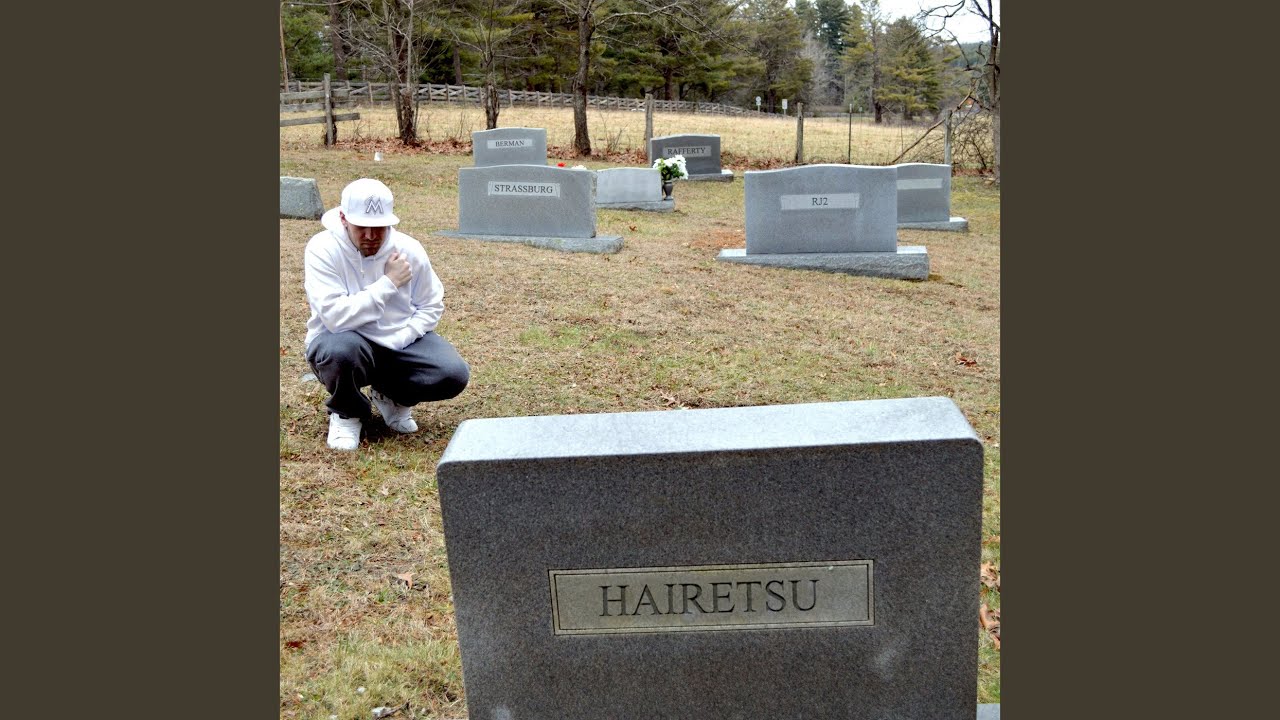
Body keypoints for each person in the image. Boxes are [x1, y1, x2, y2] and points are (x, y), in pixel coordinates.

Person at [303, 178, 469, 450]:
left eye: (379, 227)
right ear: (343, 219)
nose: (371, 236)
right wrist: (388, 283)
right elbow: (335, 318)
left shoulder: (409, 249)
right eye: (361, 227)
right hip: (344, 340)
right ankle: (347, 412)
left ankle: (391, 397)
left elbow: (431, 304)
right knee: (341, 351)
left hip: (398, 342)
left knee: (452, 373)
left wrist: (402, 338)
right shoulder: (322, 249)